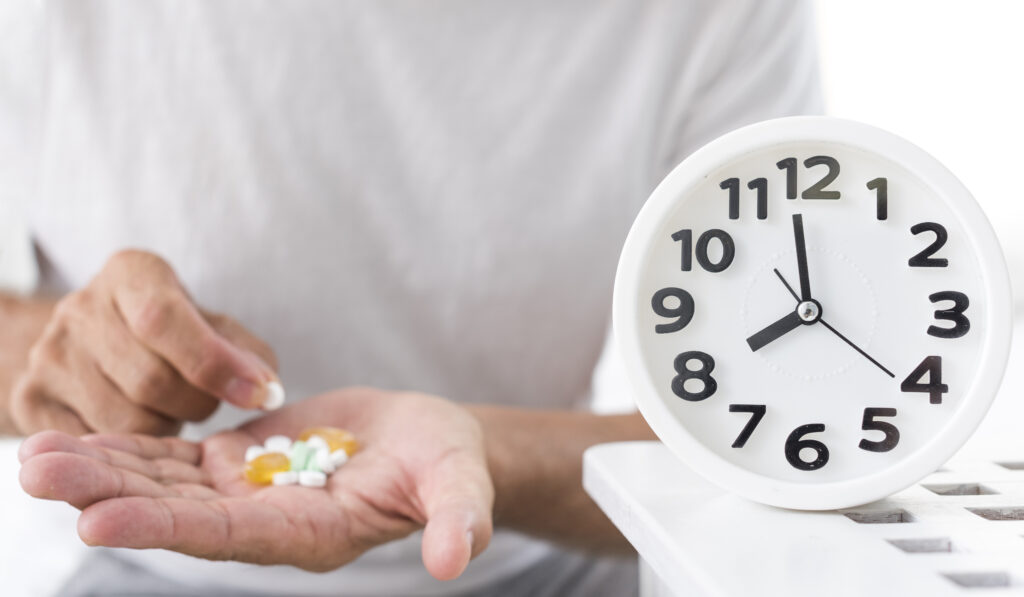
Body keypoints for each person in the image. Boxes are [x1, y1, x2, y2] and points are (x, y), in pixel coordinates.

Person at [2, 1, 822, 595]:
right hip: (137, 561)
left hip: (543, 560)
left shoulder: (725, 16)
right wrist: (61, 361)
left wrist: (481, 453)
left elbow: (774, 447)